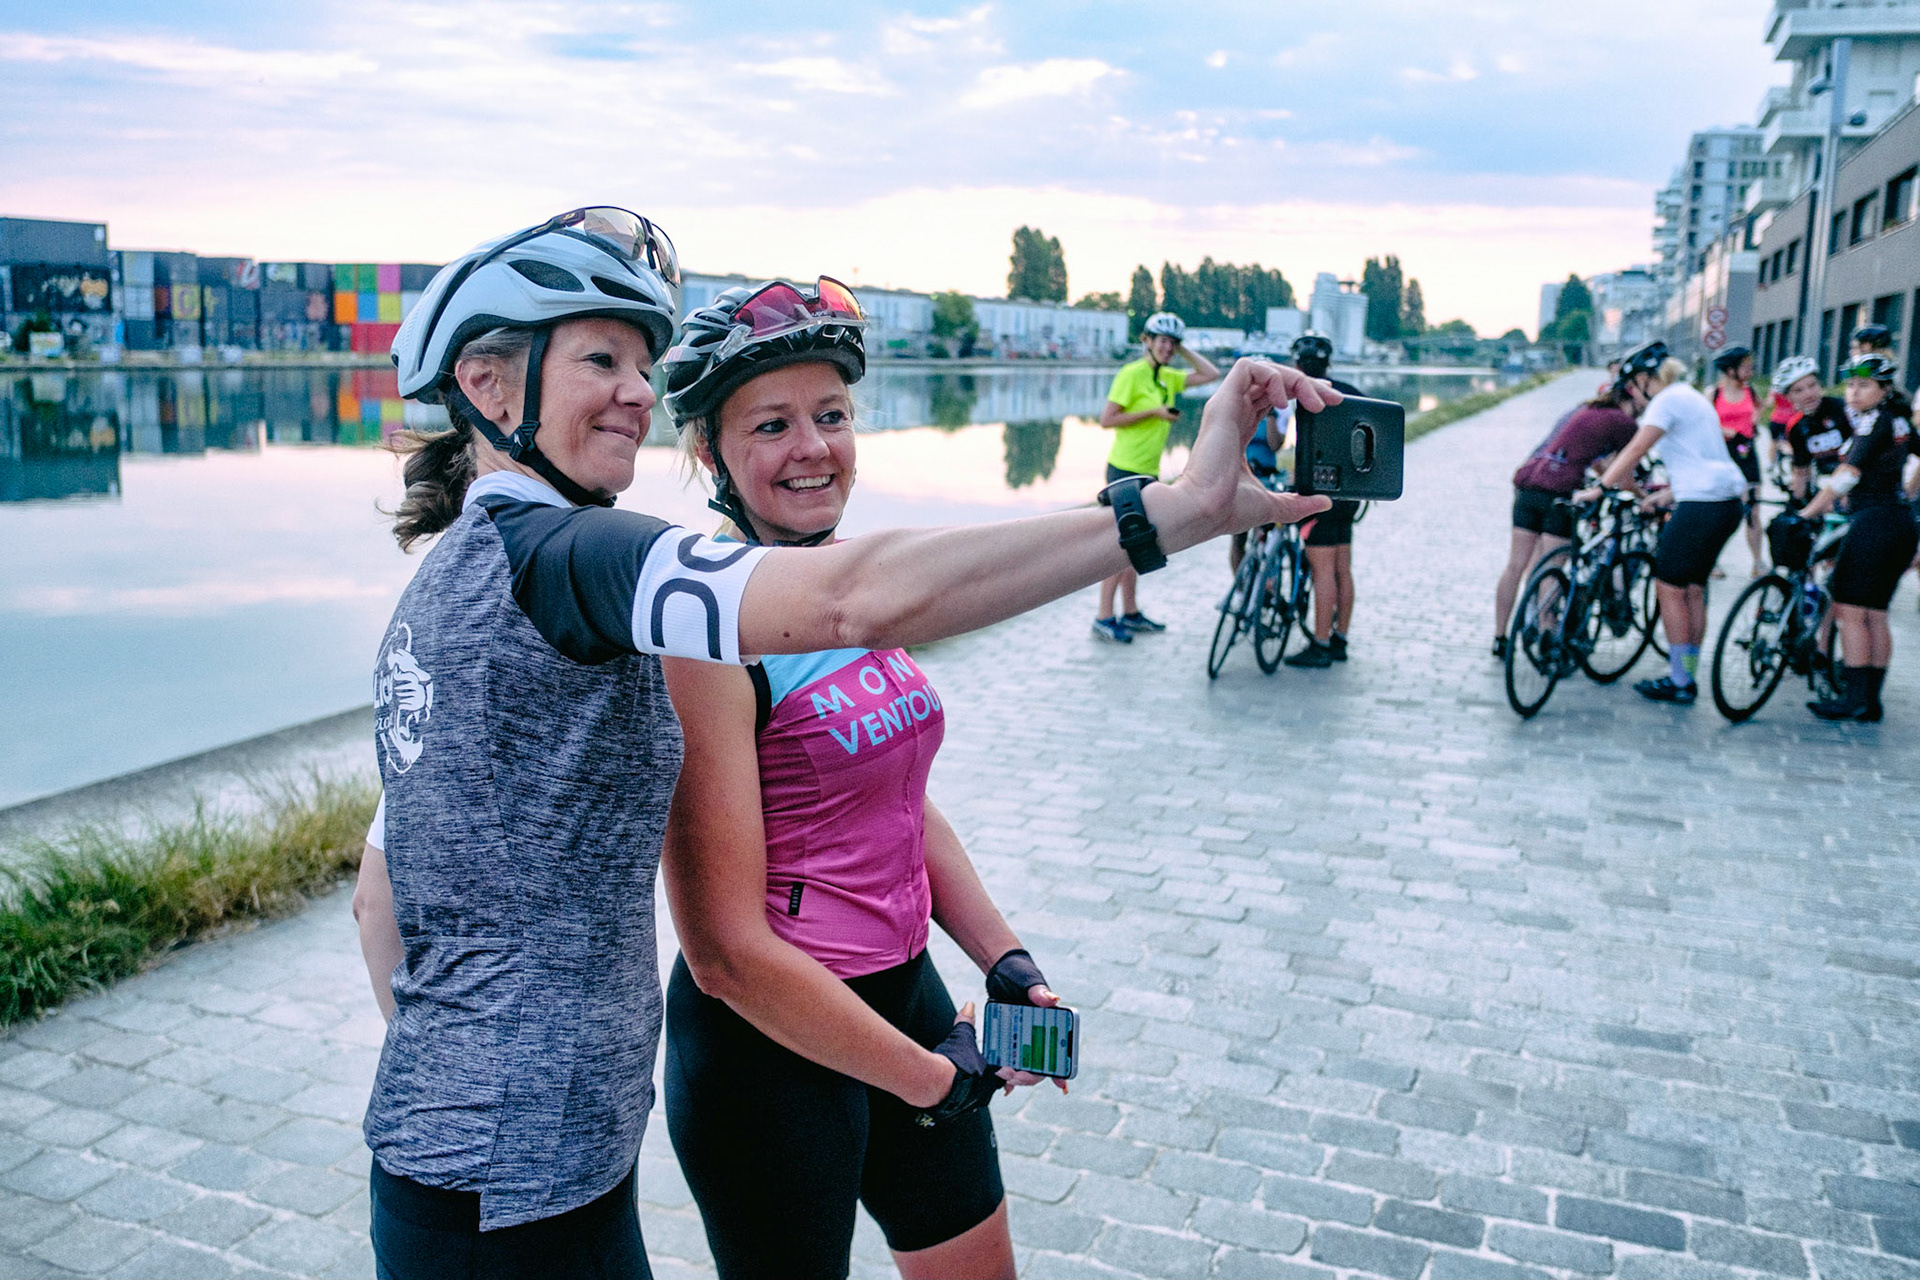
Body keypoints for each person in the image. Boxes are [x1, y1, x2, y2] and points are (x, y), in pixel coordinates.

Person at [349, 208, 1337, 1280]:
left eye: (644, 359)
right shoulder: (564, 555)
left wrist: (471, 1053)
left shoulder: (471, 574)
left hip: (512, 1157)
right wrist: (1179, 508)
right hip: (516, 1179)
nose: (636, 385)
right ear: (490, 384)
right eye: (601, 357)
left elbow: (379, 893)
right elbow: (851, 597)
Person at [652, 283, 1063, 1280]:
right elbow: (724, 955)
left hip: (903, 991)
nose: (813, 447)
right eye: (774, 424)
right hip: (769, 1044)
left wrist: (1004, 959)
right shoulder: (703, 627)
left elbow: (895, 802)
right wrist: (933, 1078)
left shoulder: (848, 592)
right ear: (711, 452)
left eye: (831, 416)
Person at [1596, 342, 1748, 705]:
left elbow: (1634, 449)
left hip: (1702, 505)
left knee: (1669, 587)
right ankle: (1686, 675)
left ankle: (1680, 680)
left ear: (1648, 379)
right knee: (1691, 589)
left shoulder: (1665, 401)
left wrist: (1600, 489)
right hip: (1724, 502)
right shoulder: (1690, 396)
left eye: (1634, 384)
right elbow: (1700, 458)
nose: (1634, 392)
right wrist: (1666, 496)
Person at [1491, 373, 1648, 655]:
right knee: (1553, 566)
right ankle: (1545, 632)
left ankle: (1500, 638)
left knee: (1516, 566)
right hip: (1559, 491)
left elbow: (1597, 462)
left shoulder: (1586, 410)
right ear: (1631, 398)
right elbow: (1622, 474)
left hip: (1529, 483)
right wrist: (1643, 497)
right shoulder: (1624, 423)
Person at [1798, 354, 1918, 720]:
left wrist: (1807, 512)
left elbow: (1848, 475)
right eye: (1850, 384)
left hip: (1872, 524)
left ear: (1883, 389)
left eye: (1863, 384)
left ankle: (1852, 699)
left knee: (1850, 611)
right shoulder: (1900, 421)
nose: (1853, 391)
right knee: (1875, 613)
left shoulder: (1874, 422)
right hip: (1900, 523)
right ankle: (1870, 702)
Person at [1092, 311, 1220, 643]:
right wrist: (1153, 412)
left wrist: (1183, 351)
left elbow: (1211, 373)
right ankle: (1104, 617)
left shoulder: (1169, 377)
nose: (1167, 347)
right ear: (1146, 341)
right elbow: (1107, 419)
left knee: (1140, 545)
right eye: (1162, 340)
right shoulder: (1130, 374)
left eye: (1172, 343)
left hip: (1147, 472)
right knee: (1118, 546)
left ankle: (1131, 612)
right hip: (1123, 469)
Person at [1282, 331, 1364, 668]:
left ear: (1297, 364)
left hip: (1318, 493)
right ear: (1328, 362)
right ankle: (1340, 640)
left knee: (1322, 570)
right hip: (1350, 494)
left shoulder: (1306, 395)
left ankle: (1320, 644)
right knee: (1343, 567)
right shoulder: (1352, 393)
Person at [1709, 346, 1765, 576]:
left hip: (1747, 454)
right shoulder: (1713, 394)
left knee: (1752, 510)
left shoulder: (1750, 392)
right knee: (1719, 510)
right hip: (1722, 455)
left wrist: (1751, 423)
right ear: (1731, 370)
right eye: (1745, 366)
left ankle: (1758, 562)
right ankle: (1712, 561)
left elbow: (1761, 407)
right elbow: (1705, 422)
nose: (1750, 369)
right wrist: (1724, 430)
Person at [1773, 355, 1854, 506]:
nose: (1808, 394)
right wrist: (1795, 505)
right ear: (1788, 397)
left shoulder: (1844, 409)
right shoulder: (1796, 426)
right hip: (1826, 488)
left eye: (1812, 385)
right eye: (1799, 390)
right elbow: (1801, 471)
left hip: (1857, 484)